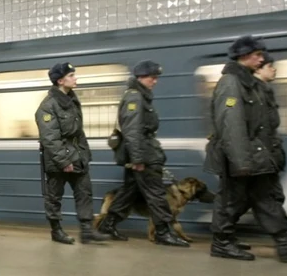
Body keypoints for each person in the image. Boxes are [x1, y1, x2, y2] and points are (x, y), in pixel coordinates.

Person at [205, 36, 287, 262]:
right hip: (240, 156)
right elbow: (232, 124)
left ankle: (286, 243)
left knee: (264, 198)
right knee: (231, 200)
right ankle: (221, 243)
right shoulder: (231, 82)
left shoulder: (249, 82)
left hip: (254, 154)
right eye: (258, 55)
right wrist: (241, 161)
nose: (262, 59)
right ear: (244, 56)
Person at [96, 60, 188, 247]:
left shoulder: (140, 96)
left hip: (143, 152)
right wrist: (137, 159)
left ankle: (107, 225)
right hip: (143, 156)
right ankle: (163, 232)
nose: (155, 81)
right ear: (141, 77)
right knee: (156, 194)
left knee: (128, 193)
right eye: (152, 77)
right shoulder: (135, 97)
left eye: (156, 77)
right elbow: (132, 130)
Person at [35, 63, 109, 245]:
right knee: (54, 197)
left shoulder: (72, 100)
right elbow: (50, 138)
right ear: (60, 80)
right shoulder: (47, 106)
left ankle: (86, 231)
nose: (76, 78)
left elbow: (78, 132)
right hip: (58, 161)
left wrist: (85, 155)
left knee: (84, 193)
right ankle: (56, 231)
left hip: (78, 157)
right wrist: (64, 160)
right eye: (71, 75)